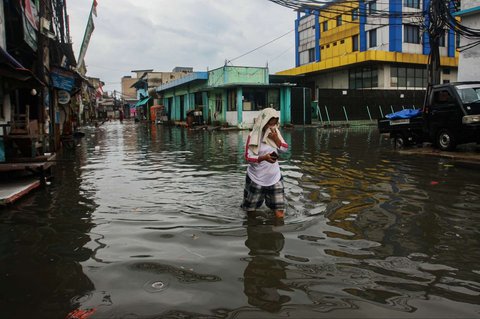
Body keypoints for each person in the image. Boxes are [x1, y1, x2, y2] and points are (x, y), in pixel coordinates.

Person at [242, 108, 289, 219]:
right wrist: (263, 158)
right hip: (256, 178)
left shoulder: (275, 133)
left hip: (274, 177)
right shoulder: (252, 136)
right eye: (269, 124)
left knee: (279, 214)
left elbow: (284, 150)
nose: (271, 127)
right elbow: (248, 157)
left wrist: (276, 139)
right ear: (263, 122)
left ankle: (275, 234)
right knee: (251, 211)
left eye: (274, 124)